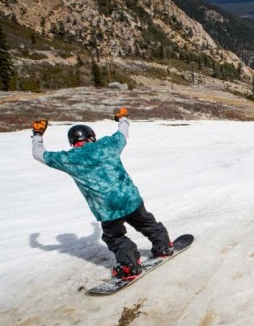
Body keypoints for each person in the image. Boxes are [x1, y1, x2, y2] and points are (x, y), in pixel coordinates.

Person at [31, 108, 173, 280]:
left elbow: (39, 154)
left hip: (107, 208)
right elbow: (122, 133)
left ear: (72, 142)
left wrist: (37, 134)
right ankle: (163, 246)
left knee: (114, 236)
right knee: (146, 222)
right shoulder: (108, 145)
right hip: (130, 198)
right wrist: (123, 118)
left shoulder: (69, 159)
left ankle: (130, 265)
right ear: (92, 136)